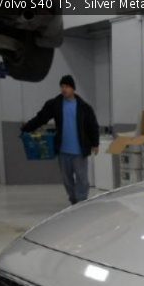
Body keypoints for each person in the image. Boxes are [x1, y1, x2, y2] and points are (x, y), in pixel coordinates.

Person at [22, 75, 99, 204]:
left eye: (67, 86)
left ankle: (81, 202)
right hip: (63, 151)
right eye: (62, 86)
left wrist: (95, 143)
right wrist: (27, 127)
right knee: (67, 180)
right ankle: (74, 200)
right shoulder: (55, 104)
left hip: (79, 151)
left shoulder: (84, 107)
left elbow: (93, 125)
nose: (64, 89)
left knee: (82, 179)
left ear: (73, 88)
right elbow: (41, 118)